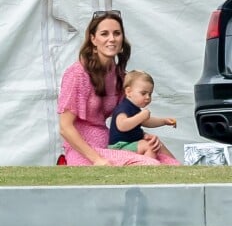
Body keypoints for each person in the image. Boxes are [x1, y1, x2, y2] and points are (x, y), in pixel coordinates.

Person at [57, 10, 181, 165]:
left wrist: (144, 137)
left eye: (117, 33)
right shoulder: (77, 74)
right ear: (93, 39)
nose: (112, 39)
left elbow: (128, 118)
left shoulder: (120, 77)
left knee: (171, 163)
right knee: (151, 165)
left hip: (112, 144)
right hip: (84, 151)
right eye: (104, 34)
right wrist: (97, 160)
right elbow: (65, 127)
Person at [108, 70, 177, 159]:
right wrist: (141, 116)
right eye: (143, 93)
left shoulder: (135, 108)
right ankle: (147, 167)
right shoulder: (124, 108)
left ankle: (175, 164)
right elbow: (122, 125)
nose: (148, 97)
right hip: (120, 146)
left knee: (155, 143)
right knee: (149, 146)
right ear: (128, 92)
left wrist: (164, 121)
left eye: (150, 94)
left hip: (132, 143)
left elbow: (147, 122)